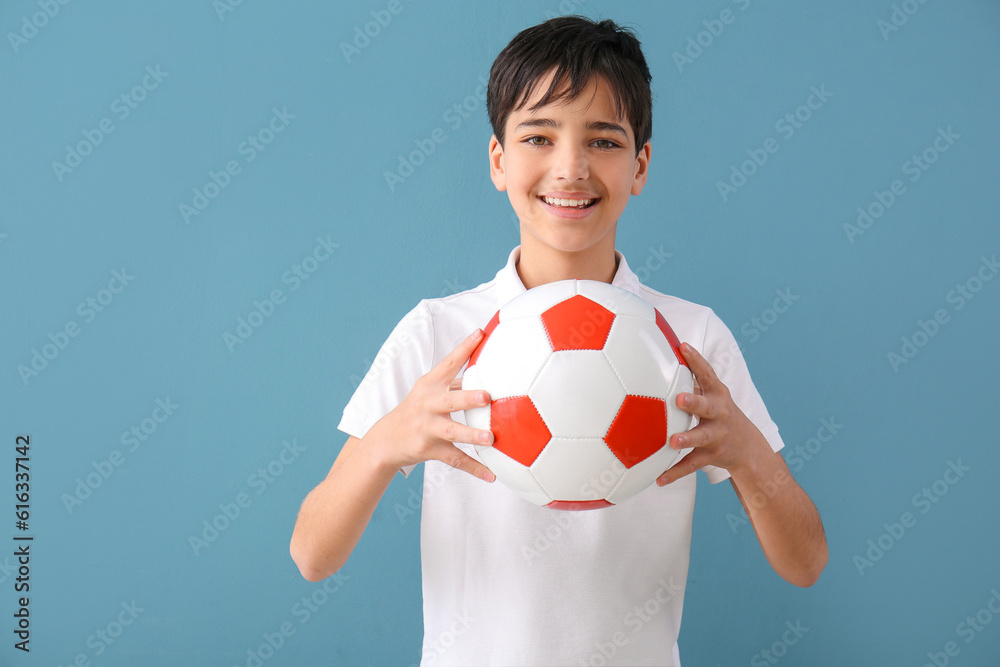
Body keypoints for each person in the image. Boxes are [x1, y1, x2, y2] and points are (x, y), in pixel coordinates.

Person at [290, 15, 827, 666]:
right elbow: (312, 554)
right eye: (538, 137)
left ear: (641, 165)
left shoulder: (690, 340)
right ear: (498, 160)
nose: (569, 168)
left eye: (603, 141)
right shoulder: (439, 334)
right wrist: (386, 443)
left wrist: (747, 451)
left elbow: (805, 562)